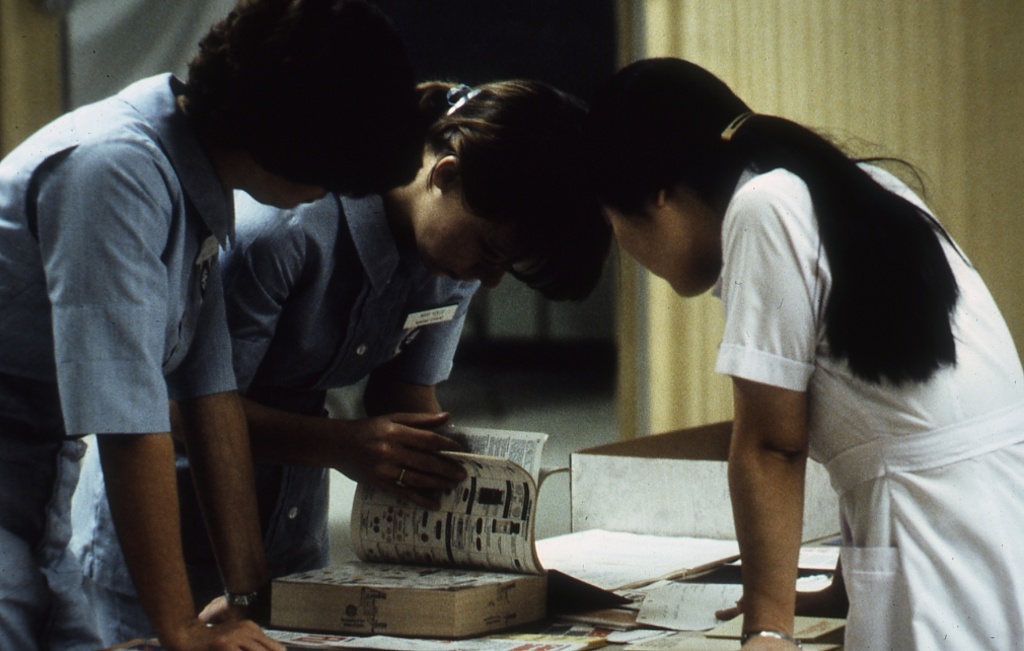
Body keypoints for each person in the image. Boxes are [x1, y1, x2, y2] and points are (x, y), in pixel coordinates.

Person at [72, 78, 612, 642]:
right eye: (491, 253)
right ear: (445, 175)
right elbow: (183, 411)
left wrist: (458, 487)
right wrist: (343, 445)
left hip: (291, 536)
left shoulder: (456, 258)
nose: (491, 278)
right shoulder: (286, 231)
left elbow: (404, 396)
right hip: (168, 540)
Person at [0, 0, 424, 649]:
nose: (329, 197)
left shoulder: (196, 187)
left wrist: (249, 600)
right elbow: (130, 419)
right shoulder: (117, 170)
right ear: (293, 147)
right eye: (332, 179)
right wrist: (179, 629)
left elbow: (210, 395)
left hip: (34, 491)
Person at [585, 57, 1024, 650]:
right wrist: (835, 588)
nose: (627, 250)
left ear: (659, 197)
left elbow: (773, 443)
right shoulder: (854, 188)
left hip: (938, 558)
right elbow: (892, 416)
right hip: (999, 524)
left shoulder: (761, 210)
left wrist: (768, 627)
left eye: (615, 223)